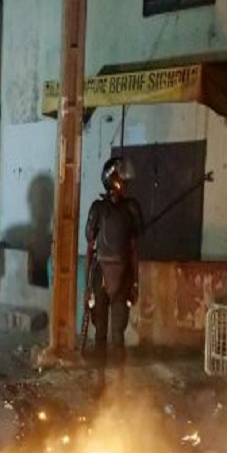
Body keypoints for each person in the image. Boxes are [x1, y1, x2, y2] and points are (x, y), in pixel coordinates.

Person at [84, 157, 144, 395]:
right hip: (100, 277)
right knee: (100, 335)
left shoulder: (131, 208)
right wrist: (87, 286)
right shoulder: (98, 209)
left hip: (123, 278)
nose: (125, 183)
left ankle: (118, 384)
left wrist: (136, 281)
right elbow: (90, 246)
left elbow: (133, 249)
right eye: (122, 178)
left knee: (117, 335)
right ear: (112, 180)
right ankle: (100, 381)